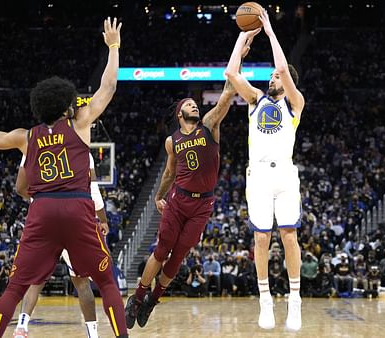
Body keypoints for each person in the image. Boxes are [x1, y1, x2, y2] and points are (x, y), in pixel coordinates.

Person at [0, 18, 127, 338]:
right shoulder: (80, 124)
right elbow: (108, 86)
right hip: (76, 206)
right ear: (66, 104)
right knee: (106, 281)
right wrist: (113, 46)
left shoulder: (26, 136)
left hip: (41, 209)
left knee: (14, 287)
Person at [124, 36, 256, 330]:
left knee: (179, 255)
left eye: (195, 104)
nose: (194, 106)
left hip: (203, 203)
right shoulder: (172, 141)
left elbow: (226, 93)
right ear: (179, 113)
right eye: (189, 104)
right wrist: (159, 195)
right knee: (162, 250)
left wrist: (240, 59)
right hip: (178, 199)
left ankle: (152, 300)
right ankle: (136, 298)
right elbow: (169, 173)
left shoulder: (210, 125)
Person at [225, 8, 305, 331]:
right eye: (271, 76)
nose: (273, 77)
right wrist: (245, 36)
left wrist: (270, 31)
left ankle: (295, 301)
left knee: (289, 236)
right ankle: (265, 299)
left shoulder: (295, 104)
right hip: (257, 176)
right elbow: (231, 73)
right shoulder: (256, 99)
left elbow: (284, 67)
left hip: (284, 176)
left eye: (276, 77)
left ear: (286, 84)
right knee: (261, 240)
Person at [13, 153, 108, 338]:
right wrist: (103, 219)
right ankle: (93, 334)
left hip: (44, 216)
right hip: (73, 217)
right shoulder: (80, 149)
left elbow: (19, 188)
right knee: (81, 281)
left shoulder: (32, 145)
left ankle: (21, 327)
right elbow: (93, 192)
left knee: (36, 279)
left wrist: (37, 198)